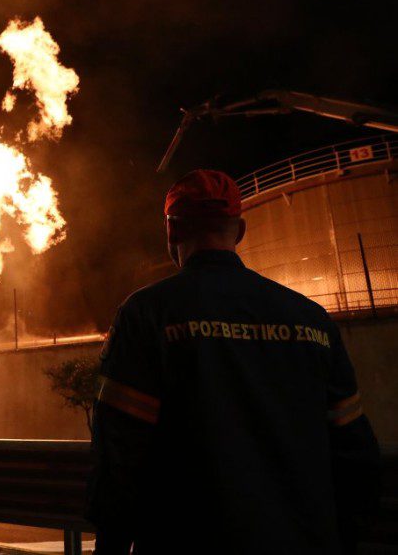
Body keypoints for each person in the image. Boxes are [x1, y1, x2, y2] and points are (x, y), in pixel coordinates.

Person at [87, 170, 380, 555]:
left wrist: (111, 544)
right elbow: (354, 450)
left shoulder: (148, 314)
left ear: (172, 231)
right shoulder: (312, 319)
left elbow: (120, 452)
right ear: (239, 231)